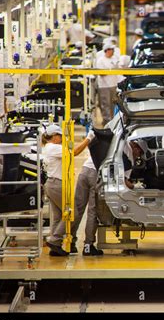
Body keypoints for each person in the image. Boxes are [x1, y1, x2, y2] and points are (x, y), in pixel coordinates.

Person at [43, 125, 95, 256]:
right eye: (60, 136)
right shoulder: (53, 147)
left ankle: (55, 247)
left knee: (58, 217)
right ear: (54, 136)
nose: (61, 139)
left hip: (51, 184)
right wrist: (88, 139)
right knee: (73, 214)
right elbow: (75, 152)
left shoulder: (48, 148)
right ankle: (55, 241)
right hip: (57, 185)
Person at [47, 154, 103, 256]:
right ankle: (88, 246)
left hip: (85, 169)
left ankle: (71, 243)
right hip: (96, 172)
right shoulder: (126, 145)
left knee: (78, 208)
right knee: (92, 211)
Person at [95, 43, 120, 126]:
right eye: (111, 49)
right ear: (107, 50)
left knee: (113, 104)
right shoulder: (101, 60)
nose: (113, 51)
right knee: (105, 105)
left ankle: (113, 122)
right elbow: (101, 73)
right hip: (104, 86)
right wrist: (110, 70)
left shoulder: (114, 58)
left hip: (113, 85)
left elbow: (118, 69)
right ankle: (107, 122)